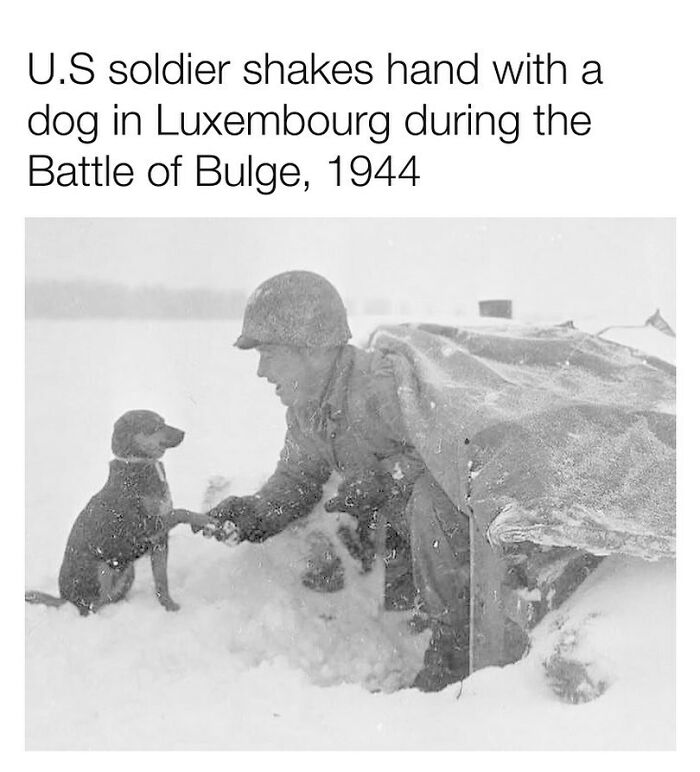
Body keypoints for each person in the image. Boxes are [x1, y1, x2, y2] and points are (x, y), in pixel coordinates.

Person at [208, 270, 471, 691]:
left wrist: (385, 479)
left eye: (270, 354)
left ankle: (460, 647)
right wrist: (257, 513)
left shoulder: (383, 386)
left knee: (428, 500)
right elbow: (298, 477)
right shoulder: (306, 409)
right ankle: (419, 621)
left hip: (469, 531)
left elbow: (454, 456)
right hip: (415, 544)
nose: (261, 371)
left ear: (311, 349)